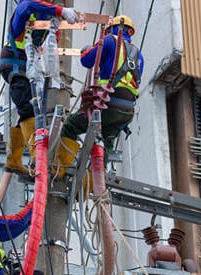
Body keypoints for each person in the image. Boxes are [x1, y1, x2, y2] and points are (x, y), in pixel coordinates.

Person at [0, 0, 78, 177]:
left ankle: (14, 159)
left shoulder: (47, 16)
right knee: (28, 107)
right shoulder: (28, 4)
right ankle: (37, 154)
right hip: (15, 63)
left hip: (31, 67)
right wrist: (61, 11)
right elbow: (26, 5)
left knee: (33, 106)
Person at [52, 15, 144, 179]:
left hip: (107, 105)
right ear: (130, 32)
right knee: (105, 142)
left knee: (71, 126)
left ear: (111, 29)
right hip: (126, 112)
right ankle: (92, 182)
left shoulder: (109, 41)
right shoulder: (139, 55)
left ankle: (61, 168)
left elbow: (87, 60)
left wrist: (86, 50)